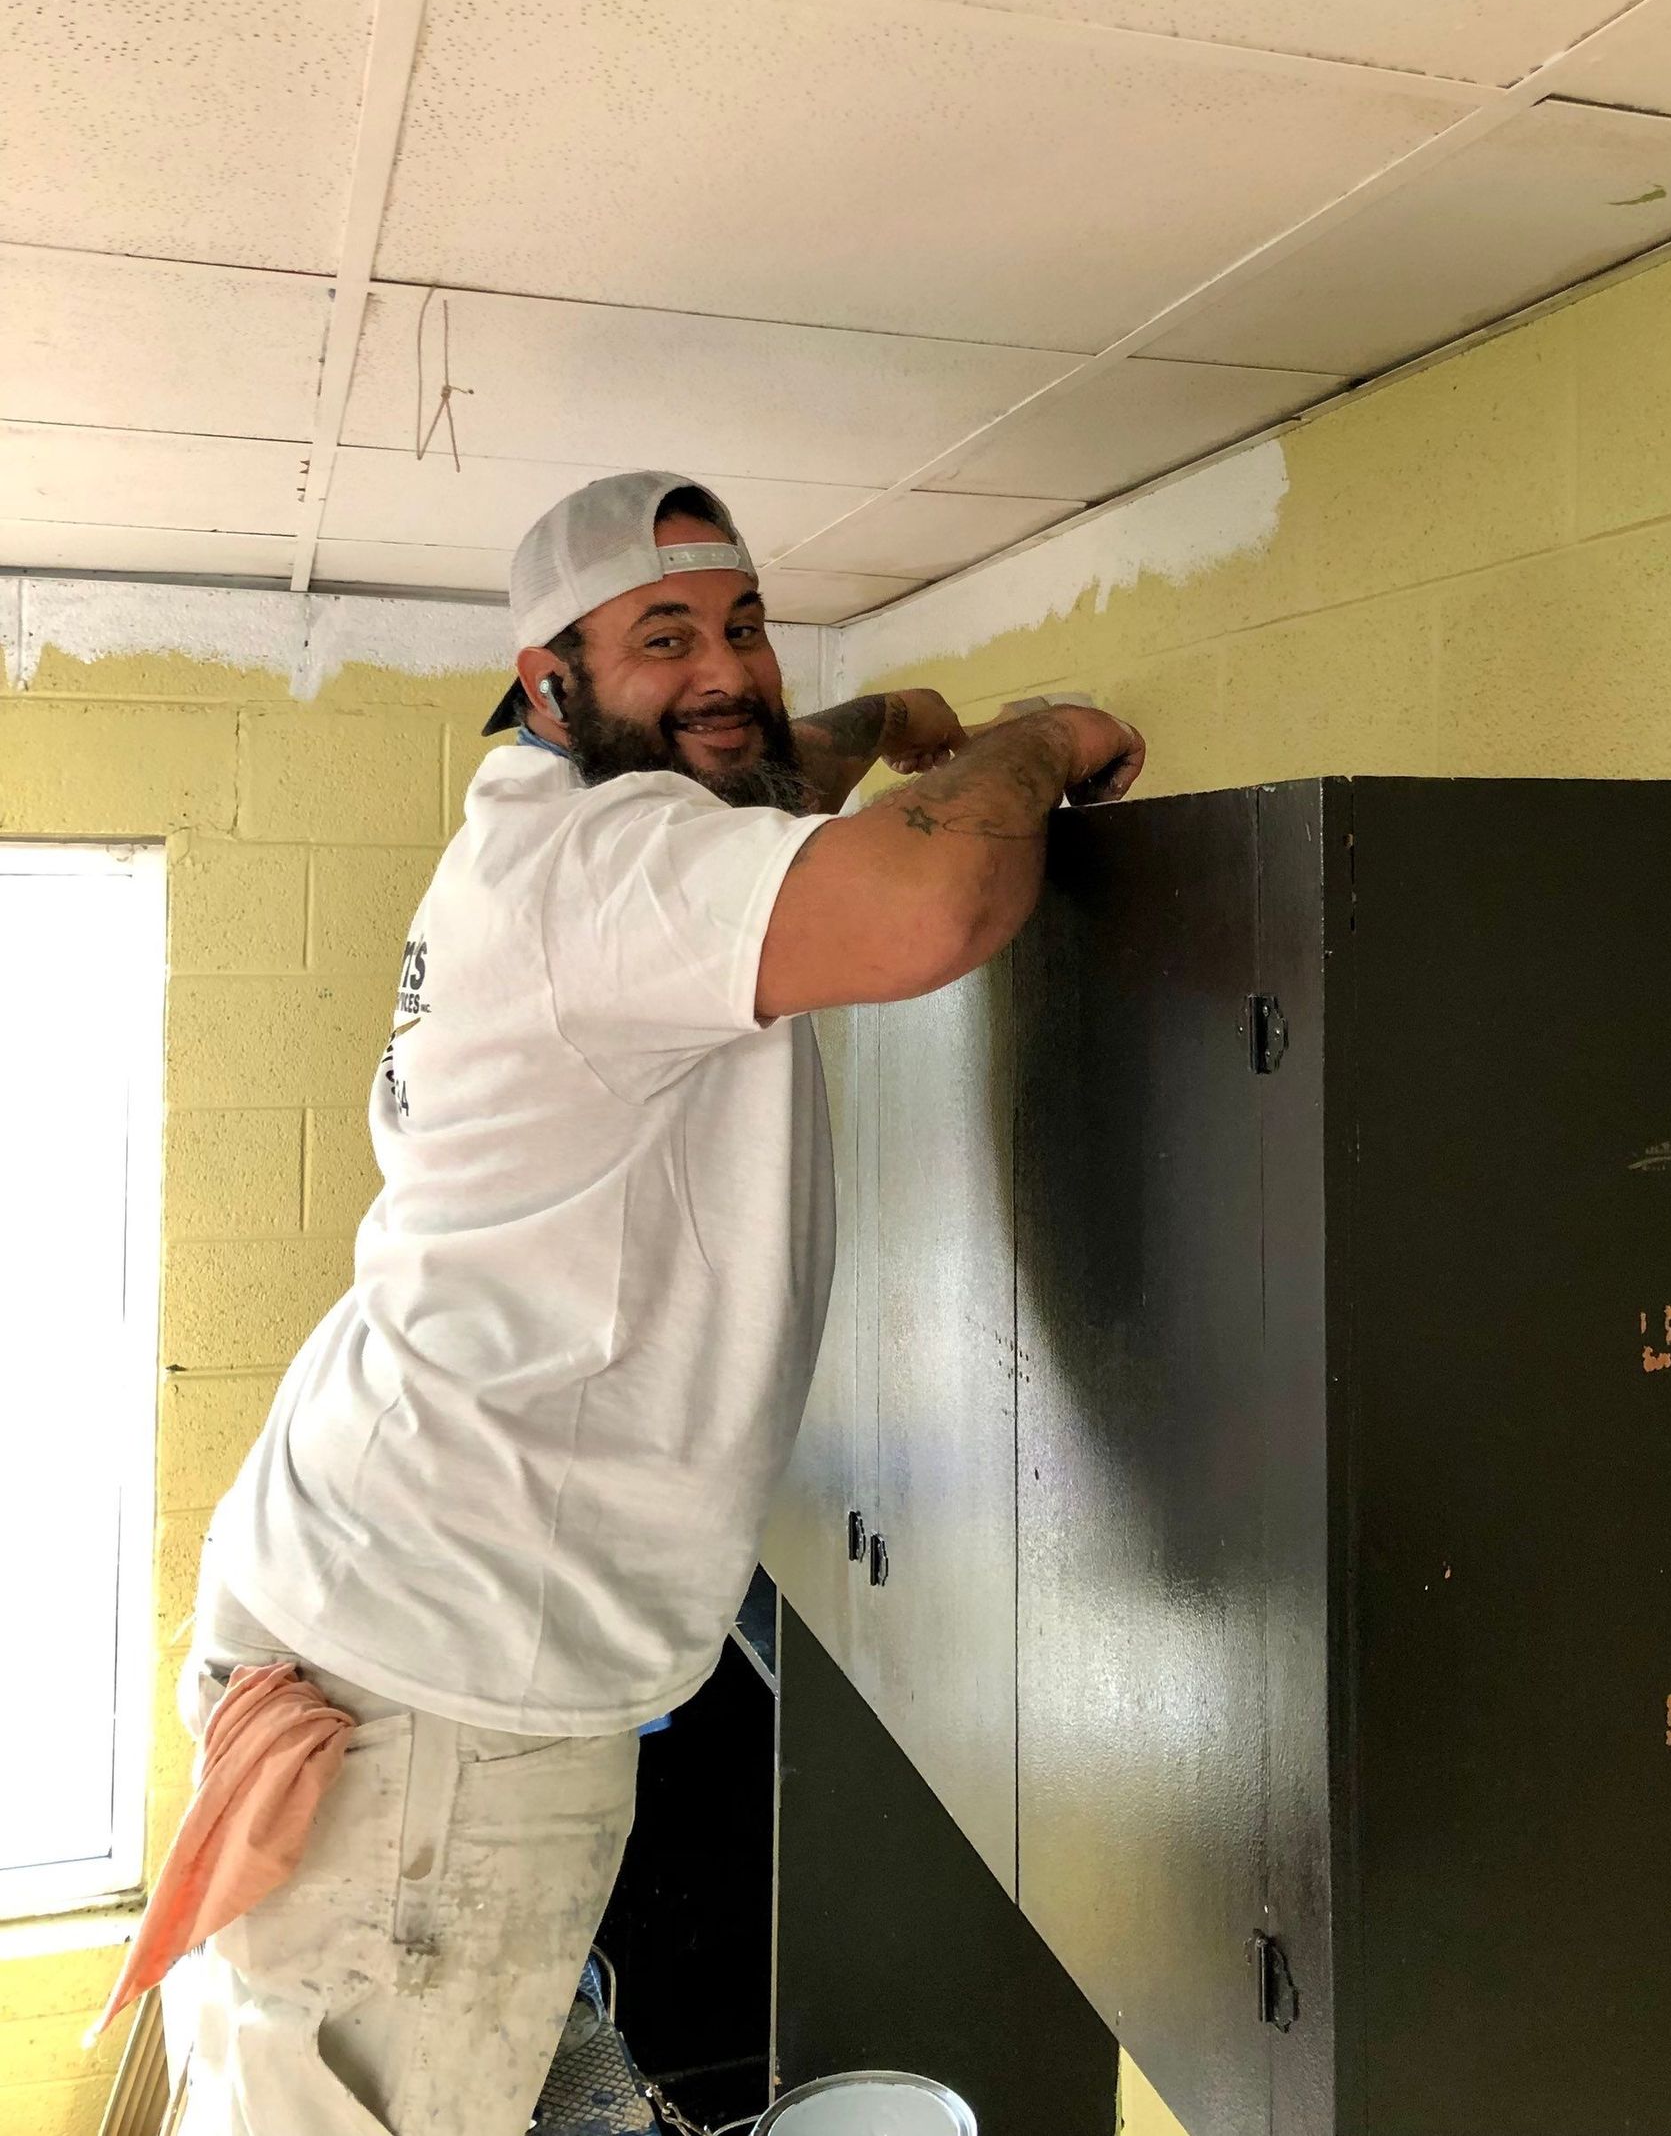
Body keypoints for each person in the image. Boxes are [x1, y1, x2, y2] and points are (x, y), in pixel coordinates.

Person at [170, 468, 1145, 2134]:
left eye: (748, 626)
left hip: (367, 1607)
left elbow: (740, 771)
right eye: (663, 636)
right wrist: (1040, 736)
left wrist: (869, 717)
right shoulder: (610, 872)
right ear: (549, 681)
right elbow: (934, 899)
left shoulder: (541, 817)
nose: (729, 669)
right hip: (439, 1718)